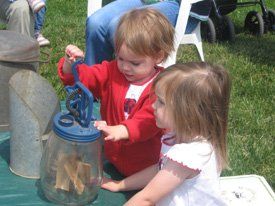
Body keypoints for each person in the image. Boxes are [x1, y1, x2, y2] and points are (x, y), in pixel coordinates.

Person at [57, 8, 175, 177]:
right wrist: (71, 66)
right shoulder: (113, 71)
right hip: (114, 157)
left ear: (158, 57)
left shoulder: (163, 86)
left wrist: (122, 130)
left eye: (135, 63)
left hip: (145, 167)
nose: (125, 67)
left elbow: (149, 121)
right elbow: (88, 78)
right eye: (120, 58)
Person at [101, 62, 231, 206]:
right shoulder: (178, 136)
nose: (153, 105)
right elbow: (160, 168)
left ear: (188, 113)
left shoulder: (191, 154)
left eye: (161, 102)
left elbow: (147, 198)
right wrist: (120, 185)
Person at [85, 0, 211, 65]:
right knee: (96, 22)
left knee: (120, 26)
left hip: (181, 5)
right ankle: (90, 90)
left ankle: (125, 94)